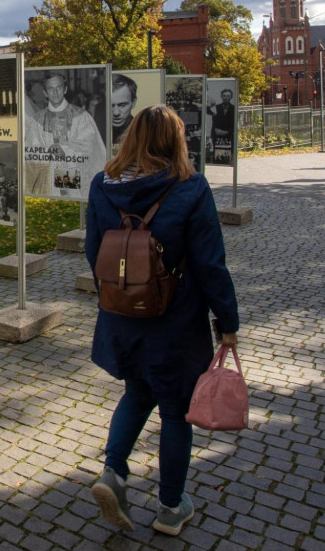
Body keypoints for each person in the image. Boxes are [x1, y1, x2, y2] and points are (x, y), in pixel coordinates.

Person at [84, 105, 239, 536]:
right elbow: (210, 264)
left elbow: (94, 250)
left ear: (132, 136)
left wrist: (116, 296)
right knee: (175, 411)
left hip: (122, 315)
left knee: (137, 391)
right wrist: (227, 321)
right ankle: (171, 506)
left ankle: (113, 472)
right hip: (175, 321)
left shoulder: (102, 185)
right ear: (176, 140)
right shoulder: (191, 187)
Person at [110, 74, 138, 148]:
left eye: (122, 105)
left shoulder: (143, 133)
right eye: (111, 106)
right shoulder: (97, 134)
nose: (116, 113)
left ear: (134, 102)